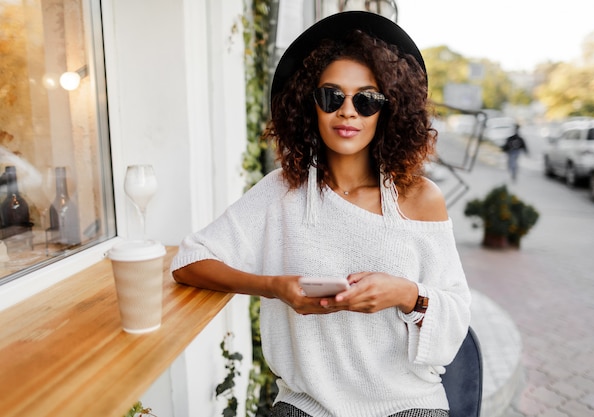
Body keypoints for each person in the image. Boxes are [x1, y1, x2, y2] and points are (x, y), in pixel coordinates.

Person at [171, 11, 471, 417]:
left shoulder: (418, 197)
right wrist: (274, 287)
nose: (348, 112)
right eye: (332, 96)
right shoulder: (282, 192)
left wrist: (405, 294)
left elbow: (455, 312)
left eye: (366, 100)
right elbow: (189, 261)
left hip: (407, 404)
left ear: (388, 111)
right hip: (308, 404)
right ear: (310, 106)